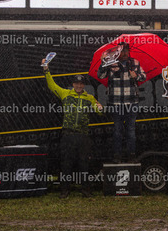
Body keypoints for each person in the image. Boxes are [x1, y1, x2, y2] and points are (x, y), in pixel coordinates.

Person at [44, 60, 103, 198]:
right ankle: (64, 191)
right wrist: (46, 70)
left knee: (84, 163)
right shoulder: (65, 94)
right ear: (73, 84)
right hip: (68, 135)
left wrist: (100, 108)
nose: (79, 86)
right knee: (66, 163)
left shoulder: (89, 97)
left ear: (84, 85)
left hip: (83, 135)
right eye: (76, 83)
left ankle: (86, 190)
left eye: (81, 84)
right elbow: (52, 85)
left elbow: (99, 111)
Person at [97, 42, 145, 162]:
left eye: (126, 50)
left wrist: (136, 76)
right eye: (122, 51)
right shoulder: (110, 62)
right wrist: (103, 63)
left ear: (129, 51)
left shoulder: (135, 62)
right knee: (117, 131)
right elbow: (101, 75)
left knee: (131, 131)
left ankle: (131, 155)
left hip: (132, 103)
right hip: (116, 103)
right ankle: (117, 155)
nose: (124, 53)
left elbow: (144, 76)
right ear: (117, 52)